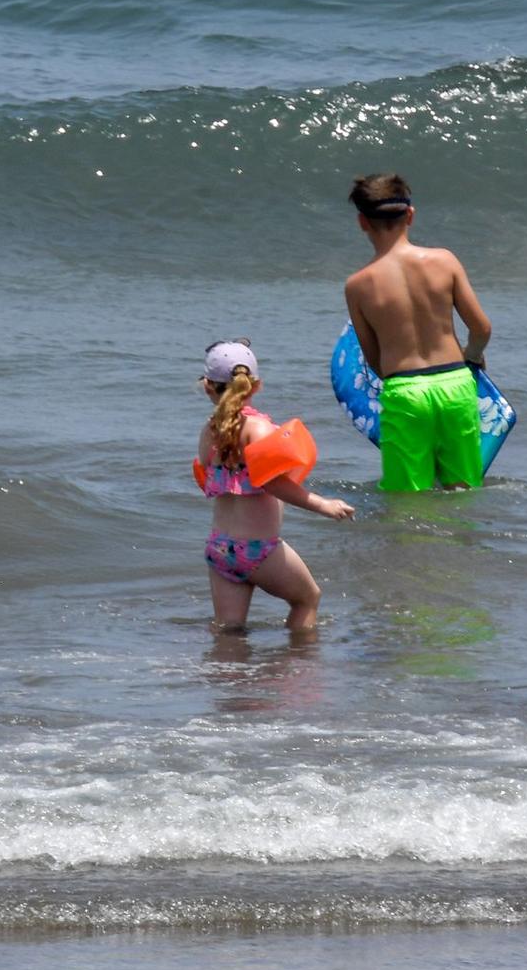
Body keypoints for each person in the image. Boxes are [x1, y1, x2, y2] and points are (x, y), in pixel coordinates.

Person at [342, 173, 494, 491]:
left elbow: (375, 361)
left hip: (405, 391)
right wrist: (473, 357)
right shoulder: (444, 261)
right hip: (456, 385)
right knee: (463, 490)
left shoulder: (358, 286)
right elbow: (481, 327)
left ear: (362, 222)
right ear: (410, 215)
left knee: (406, 500)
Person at [194, 339, 354, 633]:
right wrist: (323, 504)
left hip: (219, 548)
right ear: (255, 386)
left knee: (229, 628)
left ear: (207, 387)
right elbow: (272, 484)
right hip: (257, 550)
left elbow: (208, 472)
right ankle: (296, 670)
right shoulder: (260, 429)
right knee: (307, 599)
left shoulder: (208, 431)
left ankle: (225, 675)